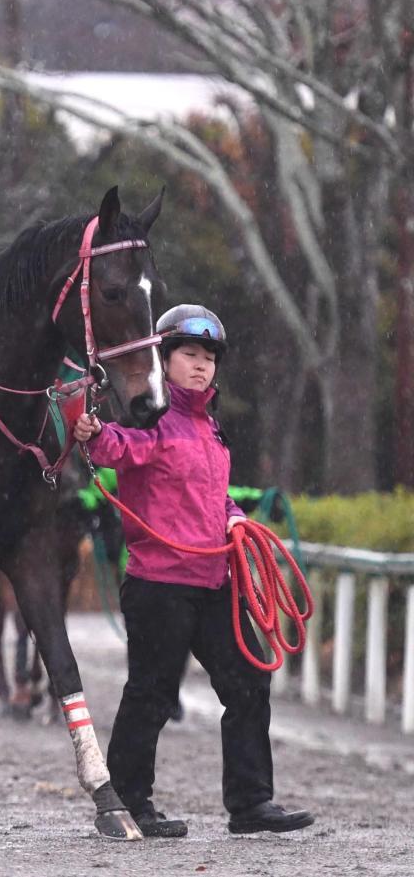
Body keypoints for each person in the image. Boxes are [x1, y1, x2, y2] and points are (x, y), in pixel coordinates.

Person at [73, 304, 315, 838]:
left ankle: (251, 804)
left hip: (212, 583)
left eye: (209, 358)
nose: (201, 366)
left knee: (250, 682)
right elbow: (115, 447)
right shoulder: (151, 420)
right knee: (153, 693)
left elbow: (215, 495)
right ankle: (129, 804)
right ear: (163, 359)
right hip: (159, 585)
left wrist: (233, 520)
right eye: (190, 355)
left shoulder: (211, 428)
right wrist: (90, 430)